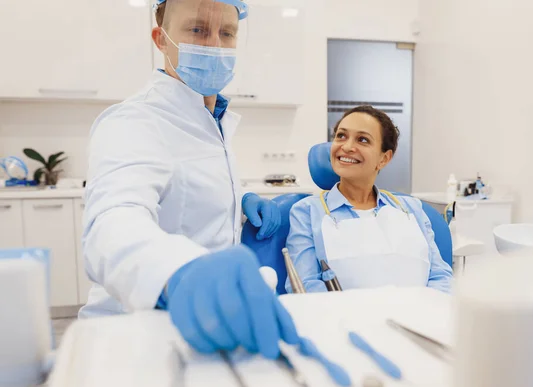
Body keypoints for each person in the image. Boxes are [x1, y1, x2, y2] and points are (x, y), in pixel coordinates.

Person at [80, 0, 299, 359]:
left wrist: (239, 197)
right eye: (197, 30)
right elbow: (112, 223)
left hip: (207, 329)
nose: (214, 44)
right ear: (161, 39)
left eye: (226, 33)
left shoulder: (212, 117)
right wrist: (177, 269)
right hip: (137, 332)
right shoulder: (134, 122)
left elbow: (185, 182)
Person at [285, 106, 453, 293]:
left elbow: (440, 277)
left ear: (384, 158)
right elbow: (304, 287)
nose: (347, 147)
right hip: (343, 320)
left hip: (417, 319)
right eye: (341, 136)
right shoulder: (307, 212)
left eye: (362, 139)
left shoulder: (411, 209)